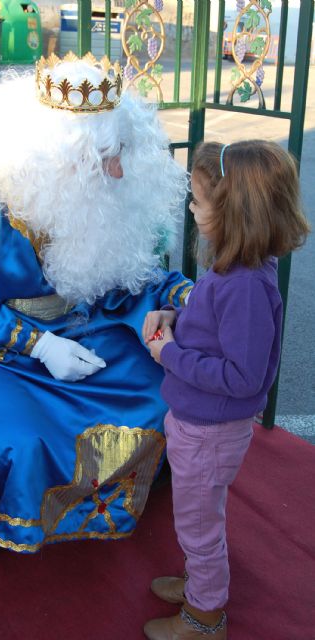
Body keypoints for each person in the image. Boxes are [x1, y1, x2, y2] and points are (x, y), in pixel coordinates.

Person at [0, 53, 194, 551]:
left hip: (84, 329)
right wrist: (39, 345)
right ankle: (41, 513)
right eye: (104, 157)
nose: (117, 172)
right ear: (56, 154)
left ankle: (109, 498)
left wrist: (191, 296)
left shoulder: (102, 193)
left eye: (120, 152)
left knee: (165, 389)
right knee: (22, 440)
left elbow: (131, 279)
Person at [141, 140, 310, 639]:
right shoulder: (235, 268)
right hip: (198, 422)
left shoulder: (244, 285)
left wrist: (167, 352)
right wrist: (177, 320)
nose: (191, 210)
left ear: (233, 211)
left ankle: (204, 615)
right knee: (196, 516)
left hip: (209, 429)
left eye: (197, 202)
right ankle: (200, 580)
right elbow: (216, 330)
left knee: (198, 524)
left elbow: (243, 375)